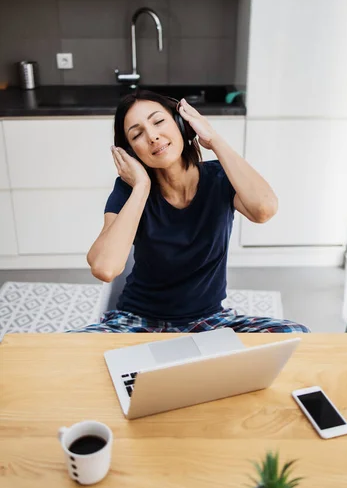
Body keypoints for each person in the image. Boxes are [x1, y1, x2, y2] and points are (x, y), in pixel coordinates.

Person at [77, 89, 309, 333]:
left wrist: (215, 140)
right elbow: (105, 268)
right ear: (131, 152)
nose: (153, 137)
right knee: (65, 355)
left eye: (158, 122)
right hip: (138, 320)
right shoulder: (129, 191)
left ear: (181, 125)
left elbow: (264, 209)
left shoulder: (220, 177)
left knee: (295, 335)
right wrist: (142, 186)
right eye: (137, 135)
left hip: (209, 320)